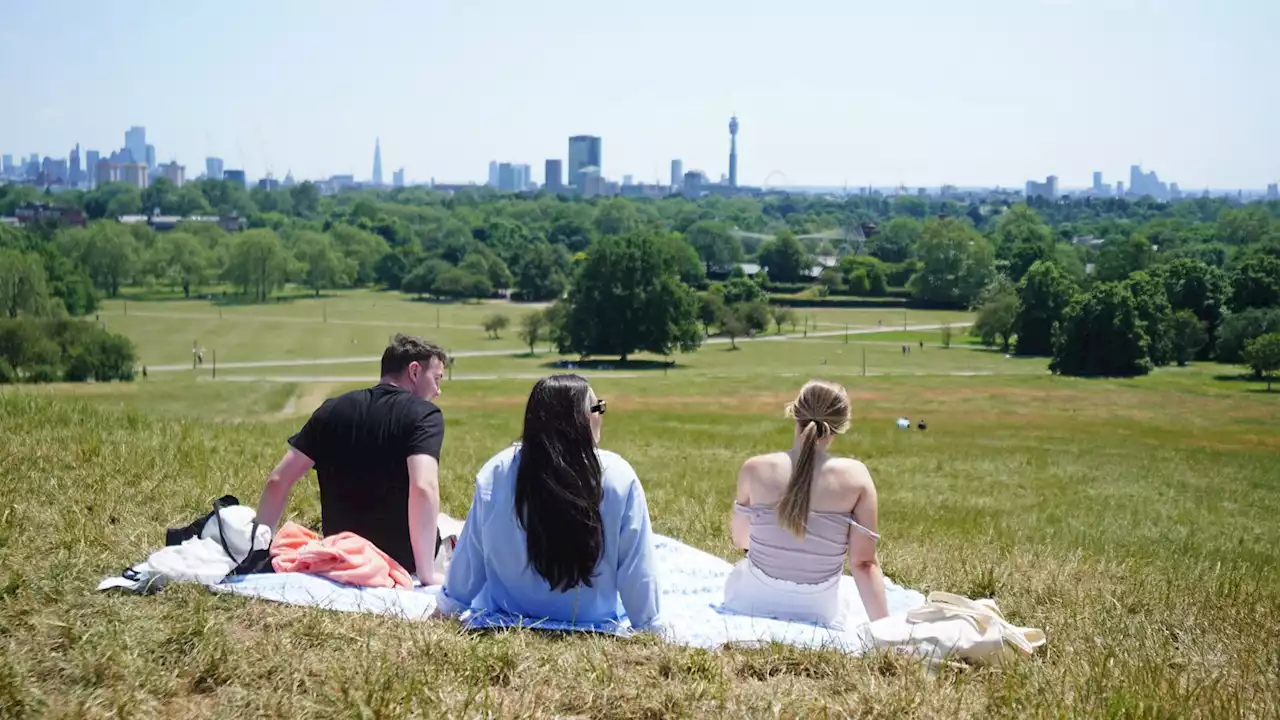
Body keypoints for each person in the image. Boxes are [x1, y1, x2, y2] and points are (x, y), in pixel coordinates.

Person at [438, 374, 661, 630]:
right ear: (579, 418)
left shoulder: (497, 470)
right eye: (597, 407)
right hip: (591, 616)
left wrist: (448, 606)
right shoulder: (619, 476)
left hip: (510, 611)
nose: (601, 414)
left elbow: (470, 556)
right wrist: (649, 626)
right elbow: (637, 568)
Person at [255, 334, 449, 585]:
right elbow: (423, 487)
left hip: (341, 555)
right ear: (414, 371)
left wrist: (259, 547)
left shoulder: (331, 410)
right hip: (403, 560)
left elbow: (278, 480)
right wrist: (426, 575)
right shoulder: (425, 415)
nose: (438, 390)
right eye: (436, 379)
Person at [725, 379, 888, 627]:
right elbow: (863, 564)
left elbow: (741, 540)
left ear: (794, 413)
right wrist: (887, 630)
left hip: (751, 601)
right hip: (820, 609)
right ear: (840, 426)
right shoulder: (856, 477)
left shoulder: (754, 468)